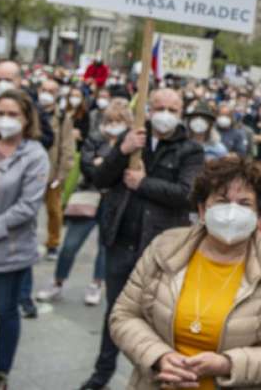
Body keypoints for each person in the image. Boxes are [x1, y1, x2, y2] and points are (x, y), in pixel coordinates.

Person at [108, 155, 261, 389]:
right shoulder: (164, 248)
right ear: (202, 209)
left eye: (244, 204)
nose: (231, 212)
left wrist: (227, 364)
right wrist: (158, 357)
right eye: (222, 201)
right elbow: (124, 315)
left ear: (260, 216)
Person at [78, 88, 205, 390]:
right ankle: (101, 374)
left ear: (181, 112)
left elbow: (188, 195)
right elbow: (100, 179)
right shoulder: (131, 139)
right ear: (148, 109)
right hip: (121, 242)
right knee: (116, 314)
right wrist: (121, 151)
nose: (164, 114)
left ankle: (149, 378)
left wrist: (143, 183)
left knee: (156, 319)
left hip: (160, 248)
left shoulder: (189, 151)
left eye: (172, 109)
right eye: (159, 107)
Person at [0, 89, 50, 390]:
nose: (6, 120)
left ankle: (1, 373)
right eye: (1, 113)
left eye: (13, 114)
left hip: (9, 249)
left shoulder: (35, 155)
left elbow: (27, 207)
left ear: (27, 119)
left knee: (6, 310)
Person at [37, 102, 133, 306]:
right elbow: (89, 167)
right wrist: (106, 164)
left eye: (119, 121)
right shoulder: (95, 139)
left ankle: (96, 284)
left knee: (105, 248)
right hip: (89, 197)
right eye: (110, 121)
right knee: (70, 244)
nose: (113, 125)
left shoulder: (130, 145)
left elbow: (123, 172)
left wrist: (103, 162)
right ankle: (57, 281)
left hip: (115, 202)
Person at [37, 79, 75, 261]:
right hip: (31, 172)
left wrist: (61, 174)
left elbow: (67, 147)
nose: (46, 93)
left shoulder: (62, 118)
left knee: (54, 210)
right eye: (44, 89)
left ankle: (53, 243)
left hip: (52, 173)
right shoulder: (31, 114)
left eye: (51, 91)